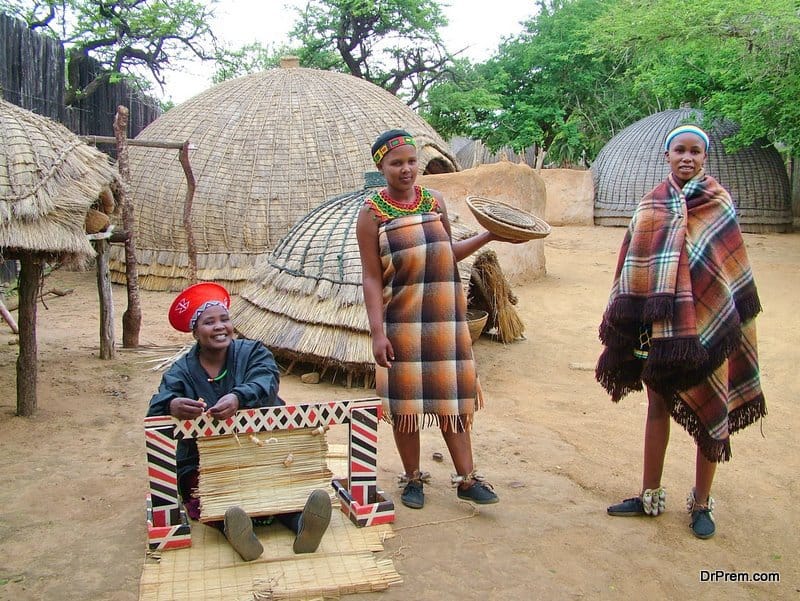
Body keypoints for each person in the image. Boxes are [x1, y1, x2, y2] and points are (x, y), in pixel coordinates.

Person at [595, 124, 766, 539]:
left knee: (710, 407)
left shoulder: (718, 204)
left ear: (704, 158)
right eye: (679, 151)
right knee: (657, 407)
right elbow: (631, 264)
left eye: (695, 152)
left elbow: (729, 270)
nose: (687, 158)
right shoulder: (650, 204)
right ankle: (649, 493)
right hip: (658, 330)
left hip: (709, 330)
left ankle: (702, 502)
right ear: (667, 155)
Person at [356, 129, 523, 509]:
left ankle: (467, 479)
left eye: (411, 161)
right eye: (396, 163)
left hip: (446, 321)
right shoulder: (372, 215)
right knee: (405, 407)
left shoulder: (435, 203)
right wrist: (377, 333)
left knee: (455, 399)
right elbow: (370, 277)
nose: (406, 169)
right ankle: (412, 477)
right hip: (401, 323)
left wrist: (489, 235)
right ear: (381, 167)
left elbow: (448, 253)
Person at [147, 282, 331, 561]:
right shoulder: (182, 371)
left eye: (225, 319)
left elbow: (267, 379)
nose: (220, 326)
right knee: (205, 495)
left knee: (279, 483)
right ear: (195, 332)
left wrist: (238, 398)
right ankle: (234, 530)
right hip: (206, 463)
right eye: (209, 322)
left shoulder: (253, 351)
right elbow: (156, 406)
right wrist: (172, 405)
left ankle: (302, 525)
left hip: (260, 451)